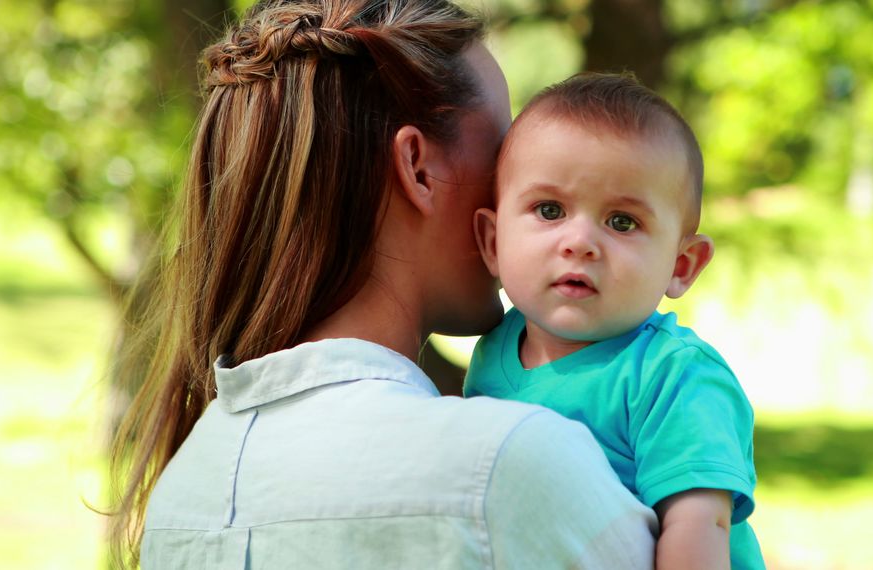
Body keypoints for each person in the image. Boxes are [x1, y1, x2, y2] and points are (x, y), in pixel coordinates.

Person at [107, 1, 658, 568]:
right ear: (417, 169)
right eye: (502, 157)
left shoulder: (184, 489)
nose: (513, 199)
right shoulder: (506, 466)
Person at [464, 73, 765, 569]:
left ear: (680, 265)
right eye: (549, 209)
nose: (580, 241)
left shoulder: (674, 376)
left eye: (622, 221)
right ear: (493, 241)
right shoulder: (495, 351)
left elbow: (699, 524)